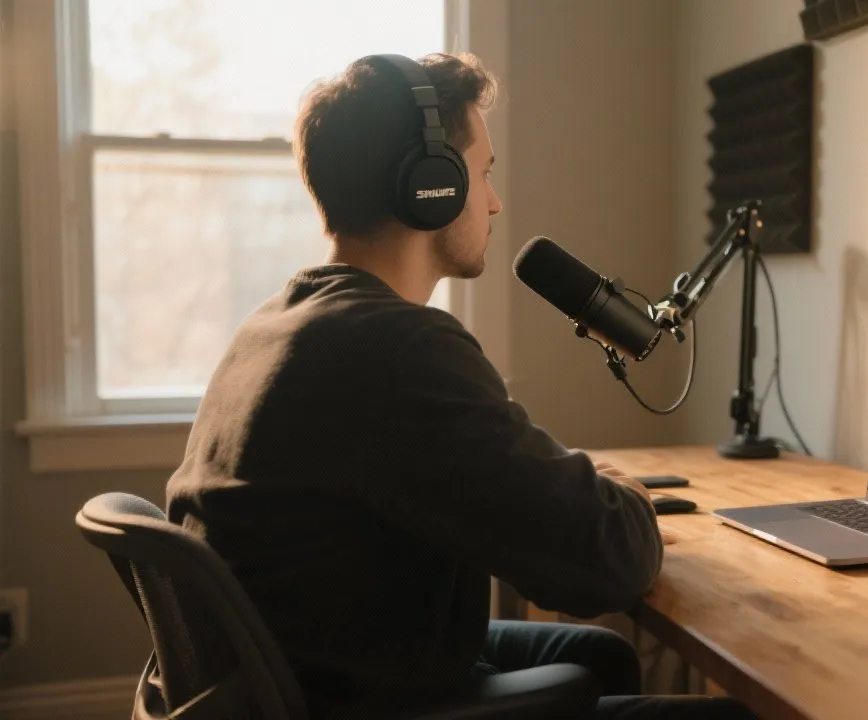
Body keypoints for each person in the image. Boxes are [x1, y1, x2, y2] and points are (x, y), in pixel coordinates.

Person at [165, 51, 757, 719]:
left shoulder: (274, 325)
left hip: (302, 672)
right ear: (432, 184)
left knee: (601, 658)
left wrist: (578, 491)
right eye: (484, 173)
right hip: (353, 702)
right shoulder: (395, 347)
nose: (495, 202)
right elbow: (605, 564)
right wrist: (628, 499)